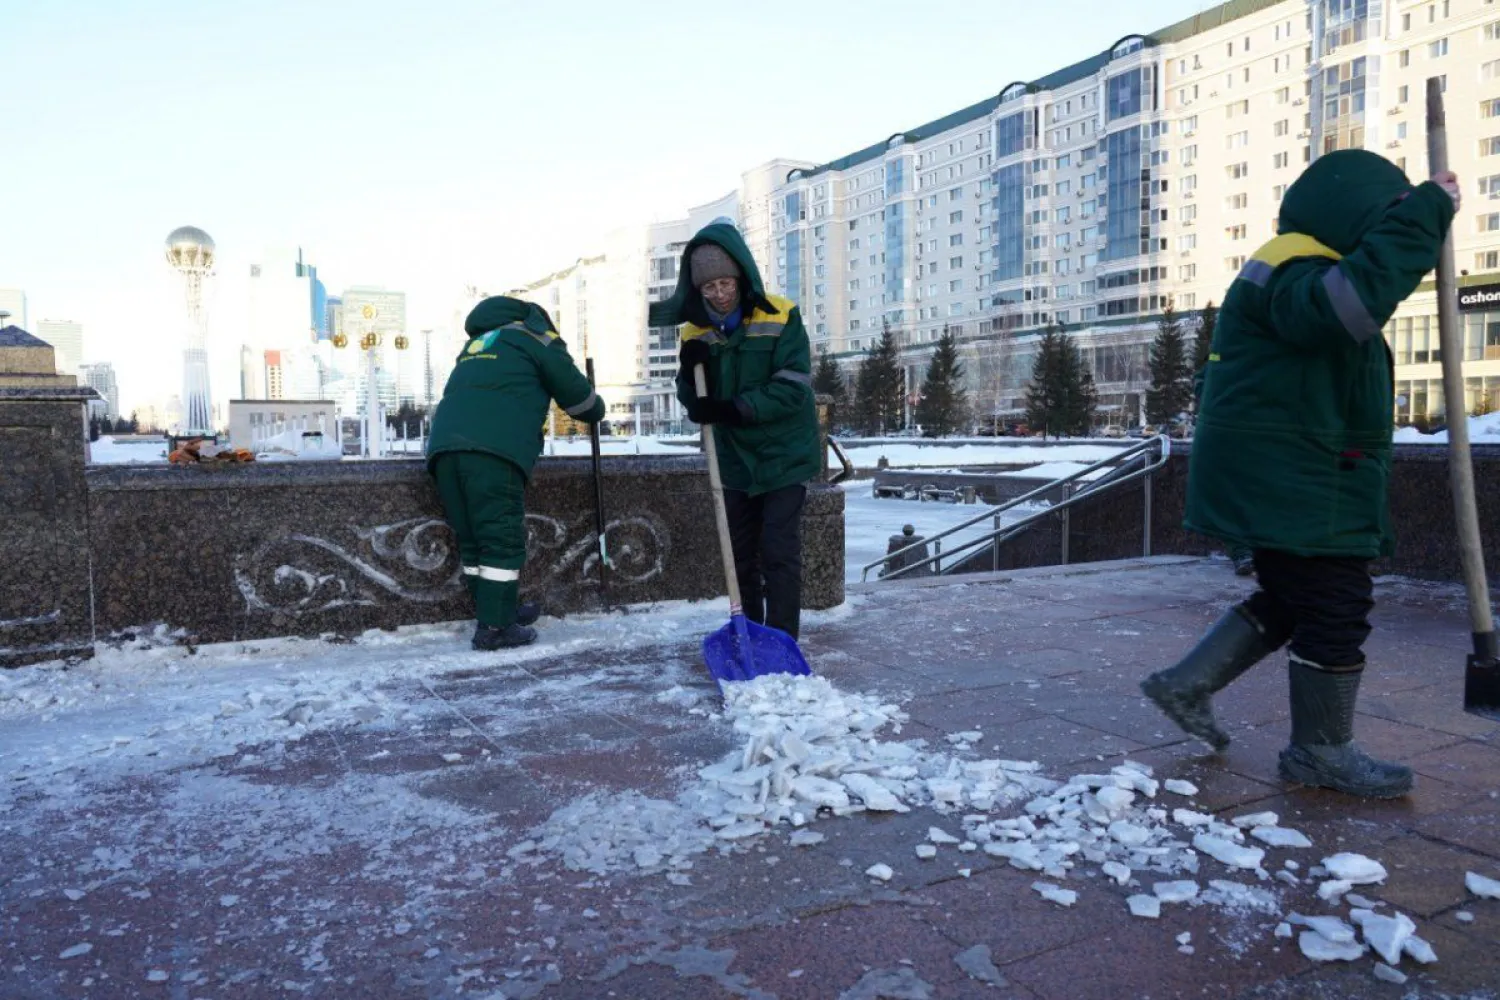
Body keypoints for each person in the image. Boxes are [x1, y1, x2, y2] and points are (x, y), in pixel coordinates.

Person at [1141, 150, 1459, 799]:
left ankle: (1187, 682)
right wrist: (1426, 214)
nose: (1385, 233)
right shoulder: (1295, 266)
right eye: (1385, 217)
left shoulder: (1294, 263)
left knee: (1294, 598)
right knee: (1338, 605)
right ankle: (1319, 750)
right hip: (1296, 480)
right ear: (1354, 211)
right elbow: (1348, 308)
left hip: (1290, 475)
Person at [649, 219, 821, 640]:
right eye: (709, 288)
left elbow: (793, 389)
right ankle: (749, 634)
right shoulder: (696, 331)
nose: (720, 294)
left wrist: (733, 408)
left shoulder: (781, 315)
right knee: (739, 555)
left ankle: (781, 639)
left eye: (726, 283)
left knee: (779, 553)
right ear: (698, 290)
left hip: (783, 456)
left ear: (740, 277)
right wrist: (689, 372)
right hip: (733, 462)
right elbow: (695, 403)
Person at [426, 296, 605, 650]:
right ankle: (495, 628)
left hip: (444, 449)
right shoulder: (537, 337)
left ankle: (497, 609)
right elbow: (580, 402)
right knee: (500, 538)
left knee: (474, 538)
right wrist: (597, 407)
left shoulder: (477, 344)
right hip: (494, 449)